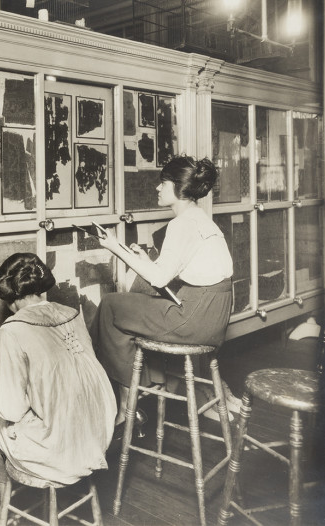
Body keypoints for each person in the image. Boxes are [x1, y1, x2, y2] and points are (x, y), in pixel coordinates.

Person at [89, 156, 234, 427]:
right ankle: (151, 383)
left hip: (195, 316)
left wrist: (114, 248)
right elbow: (172, 272)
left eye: (163, 183)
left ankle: (129, 400)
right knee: (129, 308)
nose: (157, 188)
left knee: (110, 306)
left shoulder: (182, 224)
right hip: (214, 317)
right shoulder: (201, 220)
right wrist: (143, 259)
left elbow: (158, 278)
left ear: (178, 187)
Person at [0, 253, 117, 525]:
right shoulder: (71, 313)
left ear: (11, 298)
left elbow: (12, 408)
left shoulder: (12, 330)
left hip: (61, 452)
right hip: (100, 435)